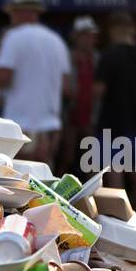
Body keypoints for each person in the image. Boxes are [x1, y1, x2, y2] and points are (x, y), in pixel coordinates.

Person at [0, 0, 71, 164]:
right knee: (43, 181)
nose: (11, 17)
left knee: (19, 182)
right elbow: (67, 88)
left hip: (21, 125)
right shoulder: (57, 41)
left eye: (12, 12)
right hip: (50, 126)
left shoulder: (13, 37)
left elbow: (1, 79)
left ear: (20, 12)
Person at [95, 11, 136, 209]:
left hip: (110, 123)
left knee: (114, 171)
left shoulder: (108, 55)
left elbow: (99, 90)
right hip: (135, 122)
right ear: (132, 30)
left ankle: (119, 218)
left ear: (112, 31)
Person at [59, 16, 99, 175]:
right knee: (66, 157)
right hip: (71, 114)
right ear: (76, 36)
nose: (89, 39)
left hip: (91, 115)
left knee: (90, 159)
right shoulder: (67, 57)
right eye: (85, 35)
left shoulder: (97, 58)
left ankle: (90, 195)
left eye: (91, 35)